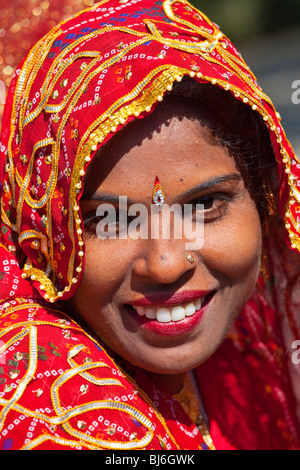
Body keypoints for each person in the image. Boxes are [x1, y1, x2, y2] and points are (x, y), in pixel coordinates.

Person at [0, 0, 299, 451]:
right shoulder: (56, 412)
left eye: (205, 204)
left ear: (265, 201)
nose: (165, 264)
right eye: (109, 218)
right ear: (45, 239)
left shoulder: (250, 352)